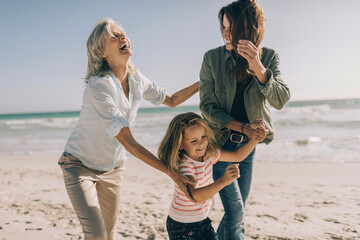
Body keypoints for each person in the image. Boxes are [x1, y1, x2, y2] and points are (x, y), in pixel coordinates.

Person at [58, 18, 199, 240]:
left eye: (123, 33)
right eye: (114, 36)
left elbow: (172, 100)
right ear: (100, 52)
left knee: (109, 234)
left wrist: (204, 83)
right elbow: (127, 140)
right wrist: (171, 173)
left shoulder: (136, 79)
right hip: (79, 166)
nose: (123, 37)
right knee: (96, 234)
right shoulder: (99, 86)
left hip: (113, 169)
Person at [199, 0, 291, 239]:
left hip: (248, 148)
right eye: (223, 27)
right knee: (236, 211)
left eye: (232, 28)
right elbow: (207, 107)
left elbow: (281, 100)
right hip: (220, 144)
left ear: (250, 28)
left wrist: (259, 69)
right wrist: (242, 127)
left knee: (235, 212)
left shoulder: (269, 57)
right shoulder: (212, 58)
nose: (225, 34)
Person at [158, 112, 261, 240]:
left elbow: (237, 155)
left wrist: (255, 139)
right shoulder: (185, 166)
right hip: (182, 226)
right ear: (180, 145)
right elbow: (196, 196)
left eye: (203, 137)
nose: (201, 143)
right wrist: (223, 181)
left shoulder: (209, 155)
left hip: (203, 221)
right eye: (194, 141)